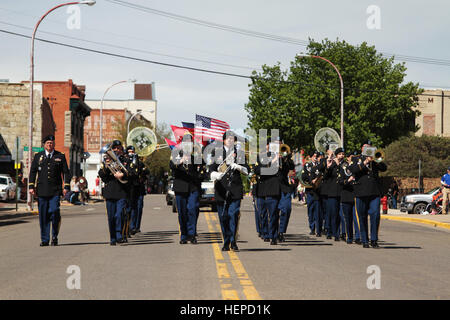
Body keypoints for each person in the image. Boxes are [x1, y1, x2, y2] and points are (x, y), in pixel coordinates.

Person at [28, 135, 71, 247]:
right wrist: (31, 186)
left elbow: (66, 172)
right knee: (43, 216)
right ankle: (45, 239)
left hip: (55, 190)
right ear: (44, 145)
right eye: (47, 143)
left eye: (51, 143)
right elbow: (33, 172)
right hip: (42, 190)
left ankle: (54, 236)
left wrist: (66, 186)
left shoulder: (60, 156)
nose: (50, 145)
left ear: (54, 144)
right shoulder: (38, 156)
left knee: (55, 211)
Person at [210, 130, 249, 251]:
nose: (231, 140)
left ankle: (233, 241)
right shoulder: (216, 152)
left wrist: (238, 166)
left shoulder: (240, 153)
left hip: (235, 188)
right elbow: (210, 169)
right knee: (223, 217)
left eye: (233, 139)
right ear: (224, 140)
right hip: (221, 189)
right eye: (228, 139)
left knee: (233, 215)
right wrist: (216, 174)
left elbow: (247, 170)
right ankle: (226, 241)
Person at [349, 141, 387, 248]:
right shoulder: (356, 159)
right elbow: (353, 169)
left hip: (374, 191)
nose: (368, 149)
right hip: (361, 191)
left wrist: (375, 161)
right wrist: (365, 162)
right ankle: (365, 240)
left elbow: (384, 168)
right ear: (362, 149)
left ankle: (374, 239)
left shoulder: (375, 159)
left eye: (369, 147)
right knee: (362, 216)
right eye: (366, 147)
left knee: (375, 215)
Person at [170, 133, 201, 245]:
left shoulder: (196, 156)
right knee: (182, 213)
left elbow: (201, 172)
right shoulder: (176, 154)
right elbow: (172, 166)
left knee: (192, 210)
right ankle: (183, 235)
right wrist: (181, 161)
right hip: (180, 187)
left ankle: (192, 235)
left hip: (193, 187)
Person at [98, 140, 131, 245]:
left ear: (121, 149)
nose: (116, 150)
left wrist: (122, 175)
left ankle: (118, 235)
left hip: (122, 191)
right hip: (110, 192)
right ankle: (112, 238)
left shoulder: (125, 160)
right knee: (111, 216)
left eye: (118, 148)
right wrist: (107, 168)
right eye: (114, 148)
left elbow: (131, 173)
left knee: (119, 214)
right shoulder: (106, 161)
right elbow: (103, 177)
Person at [277, 140, 296, 242]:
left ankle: (281, 231)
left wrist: (287, 157)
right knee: (273, 211)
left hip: (284, 187)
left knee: (287, 208)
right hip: (273, 187)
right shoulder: (268, 156)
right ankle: (272, 232)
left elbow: (292, 167)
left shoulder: (286, 159)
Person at [338, 151, 356, 244]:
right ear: (348, 158)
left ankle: (358, 237)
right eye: (351, 157)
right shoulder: (344, 168)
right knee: (348, 218)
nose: (353, 159)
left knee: (356, 218)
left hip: (356, 195)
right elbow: (341, 181)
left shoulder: (358, 167)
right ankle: (349, 236)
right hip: (346, 195)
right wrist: (348, 180)